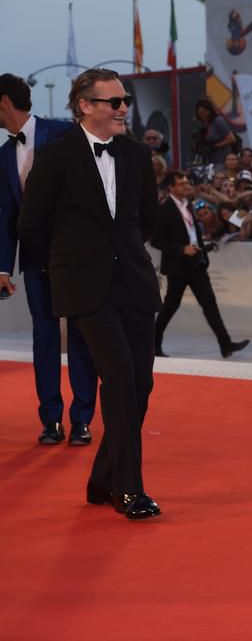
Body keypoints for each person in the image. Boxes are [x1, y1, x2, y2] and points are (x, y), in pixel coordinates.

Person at [19, 68, 164, 520]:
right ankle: (128, 489)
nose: (124, 109)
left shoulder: (138, 155)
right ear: (85, 105)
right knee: (119, 374)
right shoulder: (55, 156)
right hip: (85, 287)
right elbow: (32, 227)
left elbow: (147, 220)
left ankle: (102, 478)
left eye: (125, 102)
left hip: (134, 284)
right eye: (115, 102)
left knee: (140, 384)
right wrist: (67, 269)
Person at [0, 73, 97, 446]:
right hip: (36, 260)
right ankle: (51, 420)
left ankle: (83, 418)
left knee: (80, 336)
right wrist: (4, 267)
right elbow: (6, 216)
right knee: (43, 341)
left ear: (5, 101)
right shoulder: (4, 156)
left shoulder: (62, 132)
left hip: (75, 256)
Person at [151, 171, 250, 359]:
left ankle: (225, 344)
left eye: (187, 183)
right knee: (171, 305)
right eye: (181, 184)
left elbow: (191, 231)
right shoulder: (165, 209)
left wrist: (201, 246)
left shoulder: (188, 205)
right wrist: (181, 249)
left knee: (209, 304)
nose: (186, 186)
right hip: (178, 265)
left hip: (196, 262)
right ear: (171, 187)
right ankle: (154, 342)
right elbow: (156, 240)